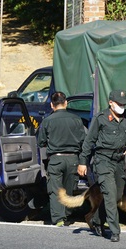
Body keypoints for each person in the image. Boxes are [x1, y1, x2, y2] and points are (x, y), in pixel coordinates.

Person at [77, 89, 126, 242]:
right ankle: (115, 231)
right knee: (109, 194)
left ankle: (96, 220)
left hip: (119, 161)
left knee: (115, 196)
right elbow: (89, 141)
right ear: (110, 103)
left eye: (124, 103)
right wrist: (83, 162)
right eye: (119, 103)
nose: (122, 106)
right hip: (103, 160)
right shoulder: (101, 118)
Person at [37, 91, 86, 226]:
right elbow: (84, 141)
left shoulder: (47, 121)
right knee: (69, 189)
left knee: (56, 189)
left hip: (56, 160)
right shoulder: (77, 119)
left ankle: (58, 219)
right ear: (66, 103)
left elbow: (40, 142)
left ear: (52, 105)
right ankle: (67, 216)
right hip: (73, 159)